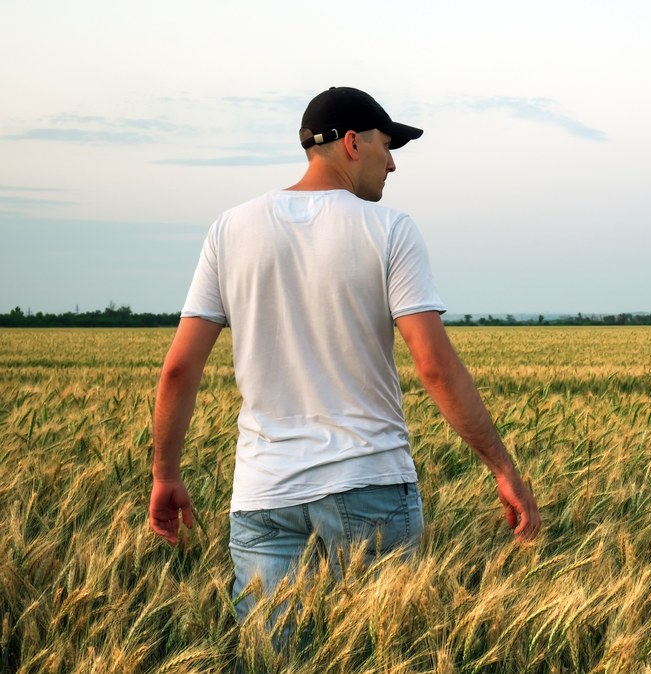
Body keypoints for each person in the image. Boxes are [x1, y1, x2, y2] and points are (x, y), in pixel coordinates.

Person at [148, 86, 540, 622]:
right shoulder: (390, 229)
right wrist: (502, 467)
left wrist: (164, 473)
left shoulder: (230, 229)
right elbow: (434, 365)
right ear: (352, 143)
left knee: (273, 660)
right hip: (370, 484)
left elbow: (177, 370)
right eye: (388, 145)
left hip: (264, 495)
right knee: (380, 652)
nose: (394, 164)